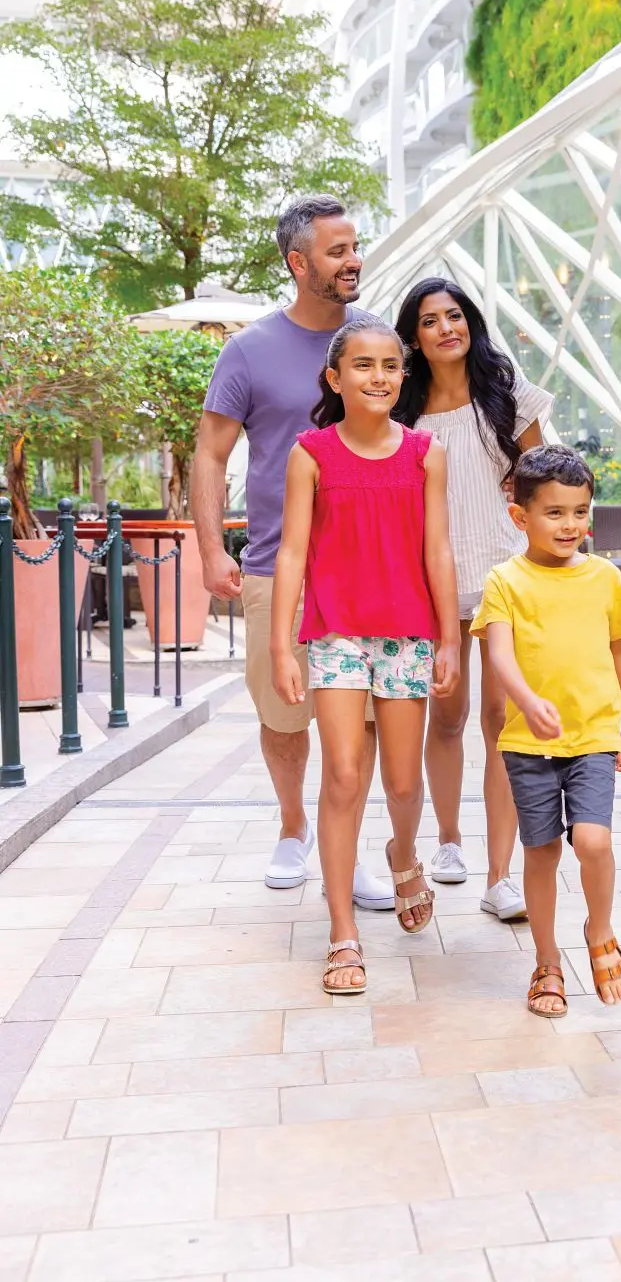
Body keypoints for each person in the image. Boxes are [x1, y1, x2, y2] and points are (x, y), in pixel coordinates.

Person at [191, 194, 391, 906]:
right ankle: (291, 824)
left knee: (362, 719)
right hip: (277, 564)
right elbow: (210, 454)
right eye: (337, 251)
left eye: (355, 247)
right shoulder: (248, 350)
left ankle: (352, 845)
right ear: (298, 262)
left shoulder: (374, 339)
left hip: (365, 568)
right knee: (283, 715)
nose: (353, 261)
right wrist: (212, 549)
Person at [270, 319, 460, 993]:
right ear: (335, 378)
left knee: (404, 783)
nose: (377, 376)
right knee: (345, 775)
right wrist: (280, 644)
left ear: (402, 377)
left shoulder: (425, 454)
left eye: (389, 365)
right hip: (336, 633)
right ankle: (342, 931)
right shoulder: (310, 453)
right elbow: (291, 551)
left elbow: (438, 550)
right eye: (362, 365)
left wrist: (449, 637)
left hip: (407, 633)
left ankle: (403, 854)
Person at [394, 278, 552, 922]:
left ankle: (500, 875)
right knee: (448, 717)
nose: (445, 328)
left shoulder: (506, 398)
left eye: (454, 316)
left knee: (501, 723)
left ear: (470, 323)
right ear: (415, 337)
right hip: (431, 582)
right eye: (430, 321)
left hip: (505, 581)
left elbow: (545, 482)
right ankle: (449, 844)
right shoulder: (401, 411)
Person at [471, 446, 621, 1019]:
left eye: (579, 511)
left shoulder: (603, 578)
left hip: (593, 736)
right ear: (520, 517)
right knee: (541, 850)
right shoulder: (505, 581)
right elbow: (499, 654)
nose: (570, 525)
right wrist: (527, 701)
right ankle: (547, 961)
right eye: (554, 513)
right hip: (528, 743)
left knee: (593, 841)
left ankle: (599, 927)